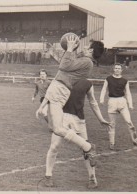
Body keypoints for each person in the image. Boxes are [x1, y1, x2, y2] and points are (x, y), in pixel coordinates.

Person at [36, 34, 105, 166]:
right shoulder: (84, 60)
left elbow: (63, 66)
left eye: (86, 46)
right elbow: (66, 65)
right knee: (54, 127)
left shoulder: (87, 62)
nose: (83, 47)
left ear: (91, 51)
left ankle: (88, 147)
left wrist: (69, 50)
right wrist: (71, 50)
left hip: (60, 89)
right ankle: (87, 146)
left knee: (57, 129)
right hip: (58, 88)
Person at [43, 79, 110, 189]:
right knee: (54, 146)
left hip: (79, 119)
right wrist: (45, 110)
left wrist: (100, 118)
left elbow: (92, 101)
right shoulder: (61, 79)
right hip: (61, 116)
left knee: (87, 150)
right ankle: (48, 176)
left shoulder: (87, 83)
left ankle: (92, 178)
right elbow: (51, 97)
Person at [99, 63, 137, 150]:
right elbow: (104, 89)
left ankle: (135, 140)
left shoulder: (125, 80)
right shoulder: (108, 79)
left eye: (119, 68)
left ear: (121, 70)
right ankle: (112, 143)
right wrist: (101, 99)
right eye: (116, 68)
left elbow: (128, 93)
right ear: (113, 69)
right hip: (112, 102)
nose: (117, 70)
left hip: (122, 102)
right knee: (112, 124)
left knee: (129, 122)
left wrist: (130, 104)